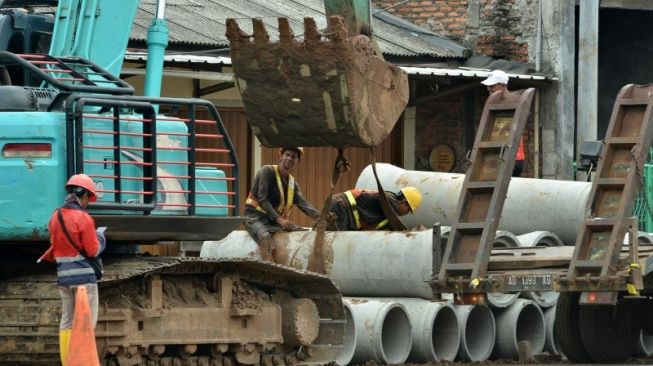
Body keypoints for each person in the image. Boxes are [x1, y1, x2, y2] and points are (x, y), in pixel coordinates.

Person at [45, 174, 105, 366]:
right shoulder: (83, 218)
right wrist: (101, 238)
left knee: (67, 321)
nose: (88, 202)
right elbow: (93, 250)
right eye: (89, 197)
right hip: (84, 280)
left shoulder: (55, 216)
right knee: (86, 323)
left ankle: (68, 361)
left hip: (64, 277)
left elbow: (54, 246)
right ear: (83, 194)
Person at [244, 147, 320, 260]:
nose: (289, 158)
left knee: (299, 231)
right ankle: (269, 272)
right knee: (265, 237)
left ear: (298, 161)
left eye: (293, 156)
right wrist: (280, 220)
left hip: (272, 221)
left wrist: (321, 217)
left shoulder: (292, 184)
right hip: (254, 218)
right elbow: (262, 199)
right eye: (287, 155)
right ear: (281, 156)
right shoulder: (267, 171)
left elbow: (303, 204)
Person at [481, 69, 525, 177]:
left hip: (512, 157)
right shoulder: (496, 102)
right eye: (488, 86)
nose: (488, 89)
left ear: (502, 85)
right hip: (499, 156)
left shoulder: (513, 101)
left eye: (492, 86)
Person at [327, 186, 422, 231]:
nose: (407, 213)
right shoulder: (390, 202)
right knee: (335, 242)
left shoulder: (389, 207)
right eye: (409, 209)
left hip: (344, 208)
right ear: (404, 202)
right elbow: (395, 225)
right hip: (342, 206)